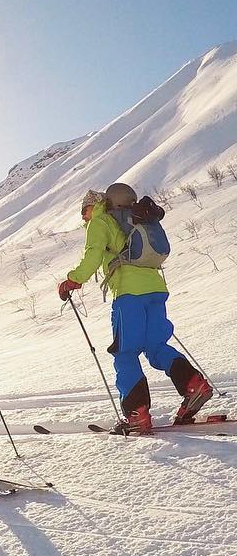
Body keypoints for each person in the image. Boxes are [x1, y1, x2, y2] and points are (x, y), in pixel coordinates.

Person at [58, 183, 211, 434]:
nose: (83, 218)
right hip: (156, 288)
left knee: (126, 352)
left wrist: (72, 280)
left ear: (92, 206)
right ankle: (194, 385)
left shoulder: (101, 222)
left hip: (129, 293)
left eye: (83, 212)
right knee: (156, 347)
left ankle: (137, 414)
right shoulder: (136, 219)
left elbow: (93, 255)